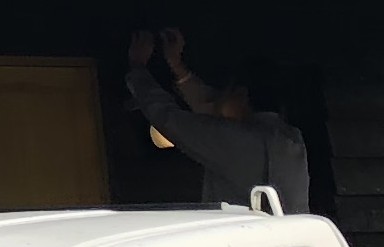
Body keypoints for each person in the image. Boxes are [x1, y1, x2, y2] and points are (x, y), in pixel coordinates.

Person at [124, 27, 313, 213]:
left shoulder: (237, 139)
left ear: (241, 94)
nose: (219, 97)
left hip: (242, 233)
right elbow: (211, 106)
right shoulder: (290, 138)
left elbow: (169, 117)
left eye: (224, 91)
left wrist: (138, 67)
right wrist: (177, 67)